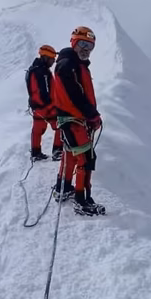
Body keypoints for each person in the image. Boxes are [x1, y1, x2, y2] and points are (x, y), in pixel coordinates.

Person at [51, 26, 105, 216]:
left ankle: (63, 188)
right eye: (83, 43)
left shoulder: (74, 64)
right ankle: (82, 201)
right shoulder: (69, 65)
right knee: (87, 158)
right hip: (74, 120)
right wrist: (92, 114)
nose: (86, 49)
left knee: (71, 155)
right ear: (74, 42)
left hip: (73, 120)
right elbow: (75, 96)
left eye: (90, 46)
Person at [25, 44, 63, 161]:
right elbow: (44, 92)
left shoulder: (33, 69)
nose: (53, 62)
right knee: (60, 126)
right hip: (46, 107)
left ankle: (35, 153)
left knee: (37, 130)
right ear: (45, 57)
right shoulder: (42, 72)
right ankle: (57, 152)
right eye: (52, 59)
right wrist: (51, 107)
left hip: (37, 107)